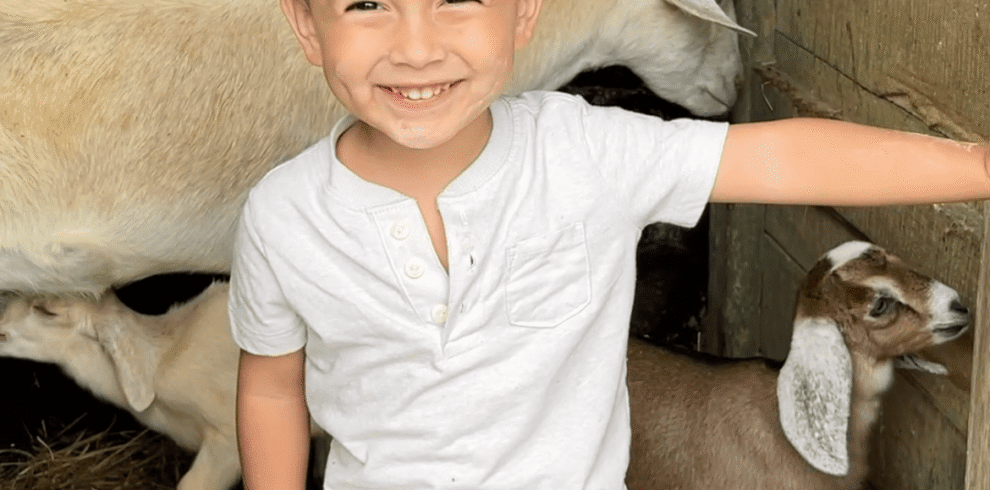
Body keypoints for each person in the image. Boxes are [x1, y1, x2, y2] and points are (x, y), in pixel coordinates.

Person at [228, 0, 990, 488]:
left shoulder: (586, 151)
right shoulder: (283, 214)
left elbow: (780, 157)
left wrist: (979, 168)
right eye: (367, 3)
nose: (417, 48)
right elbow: (270, 386)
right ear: (306, 24)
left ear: (525, 12)